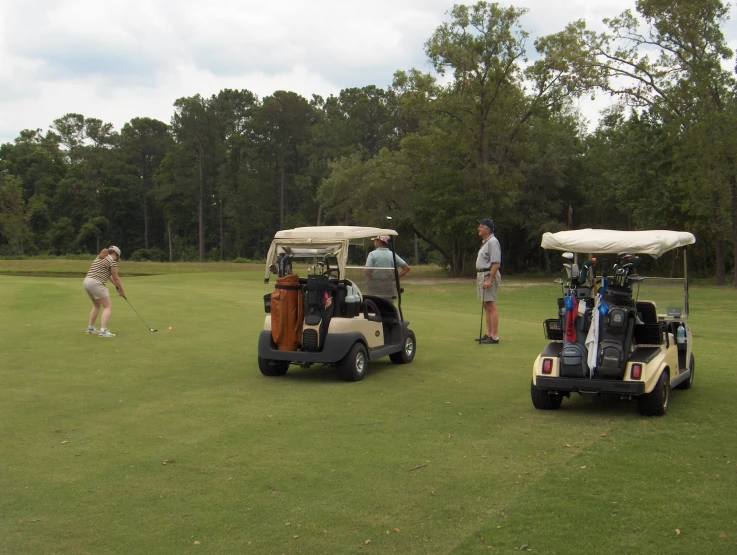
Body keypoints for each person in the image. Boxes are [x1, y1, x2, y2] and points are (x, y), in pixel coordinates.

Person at [83, 245, 125, 338]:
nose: (117, 259)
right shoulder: (112, 262)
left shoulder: (100, 257)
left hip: (86, 282)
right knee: (108, 306)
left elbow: (109, 276)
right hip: (96, 283)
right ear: (115, 254)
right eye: (117, 257)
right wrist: (122, 290)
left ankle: (90, 328)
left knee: (97, 305)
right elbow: (116, 278)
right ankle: (103, 331)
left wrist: (116, 287)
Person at [475, 219, 501, 344]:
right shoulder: (486, 242)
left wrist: (490, 279)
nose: (478, 229)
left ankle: (494, 336)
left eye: (481, 227)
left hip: (488, 274)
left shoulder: (493, 242)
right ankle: (488, 333)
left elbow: (496, 263)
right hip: (482, 274)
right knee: (486, 305)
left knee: (491, 305)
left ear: (488, 229)